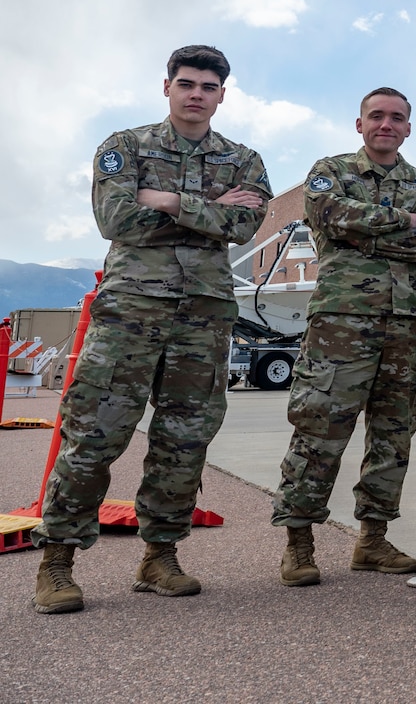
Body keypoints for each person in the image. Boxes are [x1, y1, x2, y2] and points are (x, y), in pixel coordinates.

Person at [32, 46, 271, 615]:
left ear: (221, 95)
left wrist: (163, 199)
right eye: (186, 83)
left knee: (184, 440)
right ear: (166, 87)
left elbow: (242, 225)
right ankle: (57, 562)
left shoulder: (244, 160)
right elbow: (116, 220)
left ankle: (159, 556)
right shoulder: (124, 147)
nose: (196, 94)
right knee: (94, 435)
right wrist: (204, 206)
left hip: (203, 316)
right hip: (131, 312)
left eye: (208, 86)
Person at [272, 87, 416, 585]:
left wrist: (368, 231)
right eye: (376, 116)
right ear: (360, 125)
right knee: (320, 427)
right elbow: (330, 214)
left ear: (408, 128)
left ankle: (372, 540)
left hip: (408, 322)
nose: (386, 125)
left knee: (394, 435)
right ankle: (299, 540)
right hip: (342, 322)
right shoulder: (331, 172)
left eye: (397, 118)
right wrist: (404, 223)